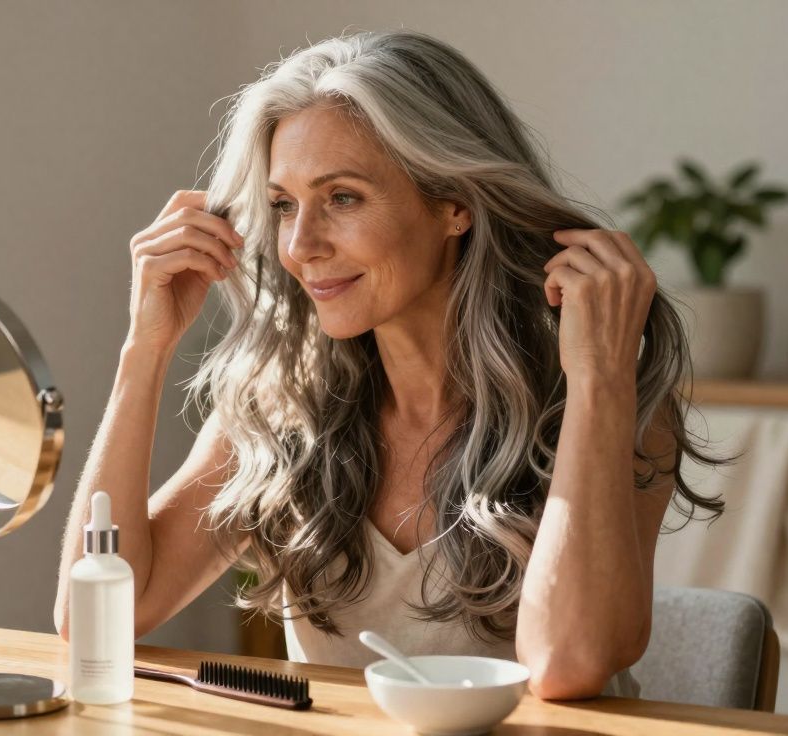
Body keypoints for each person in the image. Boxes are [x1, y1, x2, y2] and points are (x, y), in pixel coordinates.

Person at [54, 27, 727, 700]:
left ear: (455, 204)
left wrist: (600, 380)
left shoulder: (608, 401)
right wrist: (144, 351)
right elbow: (94, 625)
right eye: (285, 204)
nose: (299, 245)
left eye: (342, 198)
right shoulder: (282, 402)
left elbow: (565, 662)